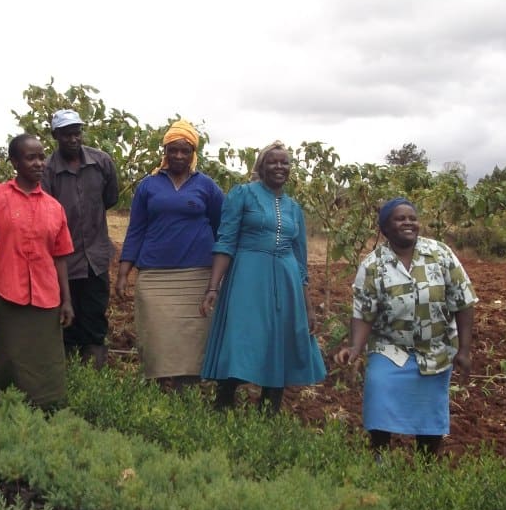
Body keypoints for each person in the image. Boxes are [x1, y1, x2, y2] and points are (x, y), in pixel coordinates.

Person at [334, 198, 477, 456]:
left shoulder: (440, 254)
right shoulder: (373, 265)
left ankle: (425, 471)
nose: (408, 223)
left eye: (412, 218)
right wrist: (355, 348)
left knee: (430, 420)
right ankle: (381, 462)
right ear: (385, 228)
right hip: (390, 348)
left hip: (435, 349)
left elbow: (463, 301)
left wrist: (464, 350)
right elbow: (364, 313)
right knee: (379, 396)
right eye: (400, 219)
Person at [199, 141, 326, 411]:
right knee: (240, 336)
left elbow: (301, 260)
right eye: (273, 162)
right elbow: (225, 241)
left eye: (285, 163)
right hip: (247, 279)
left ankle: (268, 413)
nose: (279, 167)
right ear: (261, 166)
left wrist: (308, 306)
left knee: (279, 341)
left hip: (287, 282)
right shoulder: (242, 195)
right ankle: (222, 408)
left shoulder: (294, 208)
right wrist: (213, 287)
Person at [114, 120, 224, 389]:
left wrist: (220, 275)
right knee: (157, 335)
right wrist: (123, 273)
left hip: (197, 275)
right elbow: (136, 230)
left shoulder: (207, 187)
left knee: (193, 336)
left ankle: (188, 389)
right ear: (165, 151)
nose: (178, 156)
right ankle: (162, 387)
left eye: (184, 151)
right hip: (154, 276)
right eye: (172, 150)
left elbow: (223, 229)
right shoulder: (148, 186)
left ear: (193, 153)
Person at [0, 134, 74, 406]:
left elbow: (60, 257)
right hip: (7, 293)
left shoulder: (54, 207)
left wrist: (67, 301)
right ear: (15, 162)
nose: (39, 163)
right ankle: (9, 409)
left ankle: (48, 410)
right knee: (11, 358)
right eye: (31, 158)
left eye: (41, 157)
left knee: (47, 360)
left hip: (46, 297)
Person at [41, 108, 118, 369]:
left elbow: (110, 198)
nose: (73, 139)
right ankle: (67, 370)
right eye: (66, 134)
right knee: (66, 314)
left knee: (95, 314)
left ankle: (94, 369)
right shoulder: (47, 170)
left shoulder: (101, 162)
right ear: (56, 136)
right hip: (64, 259)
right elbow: (44, 212)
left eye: (76, 133)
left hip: (96, 255)